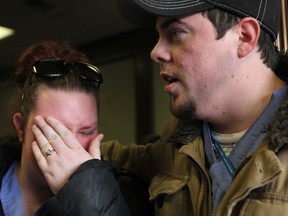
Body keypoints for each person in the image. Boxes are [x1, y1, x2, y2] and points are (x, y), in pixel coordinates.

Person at [30, 0, 288, 215]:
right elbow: (122, 157)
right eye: (159, 36)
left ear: (244, 37)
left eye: (175, 32)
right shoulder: (177, 144)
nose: (156, 52)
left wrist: (88, 194)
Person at [0, 40, 131, 215]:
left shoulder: (125, 193)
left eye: (86, 131)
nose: (72, 146)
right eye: (54, 130)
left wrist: (87, 196)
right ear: (21, 128)